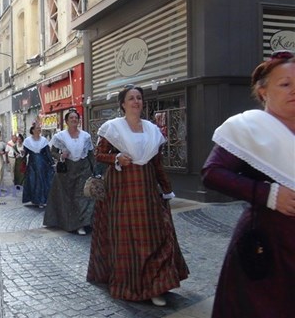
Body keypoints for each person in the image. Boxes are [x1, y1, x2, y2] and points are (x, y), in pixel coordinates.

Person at [201, 51, 295, 318]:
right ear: (263, 91)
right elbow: (212, 172)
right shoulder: (249, 128)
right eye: (285, 84)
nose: (293, 91)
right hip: (269, 242)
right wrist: (268, 194)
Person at [86, 85, 189, 307]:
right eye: (131, 98)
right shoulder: (112, 128)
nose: (136, 102)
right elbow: (98, 154)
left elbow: (158, 164)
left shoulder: (152, 130)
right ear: (123, 103)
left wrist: (166, 188)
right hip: (122, 189)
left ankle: (155, 285)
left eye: (139, 98)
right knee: (127, 237)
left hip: (147, 188)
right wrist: (115, 158)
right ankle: (131, 284)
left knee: (154, 235)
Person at [44, 109, 96, 235]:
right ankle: (72, 223)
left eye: (76, 118)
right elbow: (52, 152)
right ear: (66, 121)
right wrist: (61, 156)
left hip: (83, 169)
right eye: (71, 118)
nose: (74, 120)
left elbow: (90, 154)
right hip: (67, 171)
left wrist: (95, 170)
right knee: (69, 198)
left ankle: (84, 224)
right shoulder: (60, 137)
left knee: (83, 196)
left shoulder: (86, 136)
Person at [22, 125, 54, 207]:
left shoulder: (44, 140)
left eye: (39, 128)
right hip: (32, 165)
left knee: (41, 181)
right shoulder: (27, 141)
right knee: (33, 181)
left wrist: (52, 162)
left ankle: (42, 200)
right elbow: (25, 153)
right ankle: (34, 199)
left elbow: (47, 153)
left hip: (42, 164)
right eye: (37, 128)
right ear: (32, 130)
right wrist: (22, 158)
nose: (39, 129)